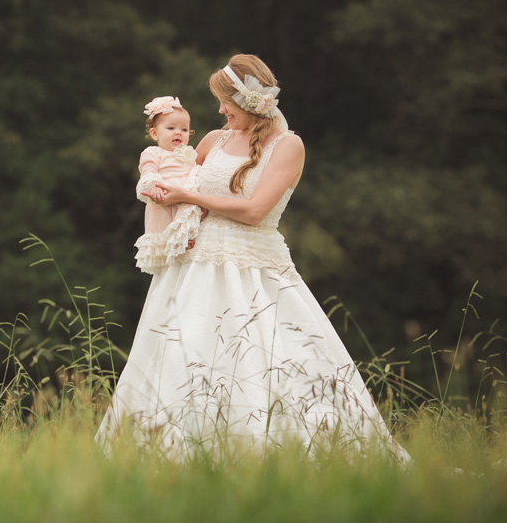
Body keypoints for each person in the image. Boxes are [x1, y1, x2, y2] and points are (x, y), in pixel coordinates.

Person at [99, 54, 408, 460]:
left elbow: (255, 210)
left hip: (255, 265)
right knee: (183, 353)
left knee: (270, 360)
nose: (221, 110)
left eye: (225, 102)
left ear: (246, 101)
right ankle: (171, 451)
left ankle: (272, 451)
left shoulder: (288, 146)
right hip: (194, 266)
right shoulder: (212, 141)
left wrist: (188, 195)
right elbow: (182, 190)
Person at [135, 96, 203, 273]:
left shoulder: (190, 155)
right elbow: (148, 171)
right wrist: (155, 186)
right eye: (171, 128)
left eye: (184, 129)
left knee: (189, 214)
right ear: (154, 133)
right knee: (165, 222)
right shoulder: (153, 152)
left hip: (185, 197)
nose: (178, 132)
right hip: (163, 196)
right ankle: (173, 244)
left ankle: (186, 237)